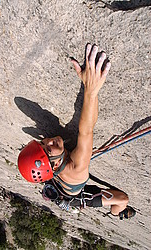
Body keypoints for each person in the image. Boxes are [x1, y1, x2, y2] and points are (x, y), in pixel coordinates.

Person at [18, 43, 136, 219]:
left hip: (57, 186)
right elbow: (86, 130)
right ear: (55, 165)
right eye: (48, 148)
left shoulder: (52, 162)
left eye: (43, 142)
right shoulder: (77, 168)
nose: (49, 140)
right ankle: (118, 214)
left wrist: (91, 91)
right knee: (122, 200)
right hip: (75, 197)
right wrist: (90, 89)